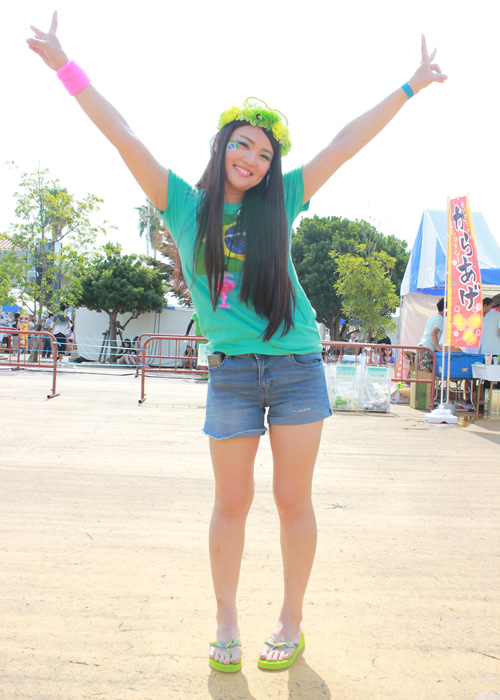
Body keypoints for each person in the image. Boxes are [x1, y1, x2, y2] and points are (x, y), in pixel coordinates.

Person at [27, 13, 447, 672]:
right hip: (229, 374)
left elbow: (345, 143)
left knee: (293, 501)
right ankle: (226, 619)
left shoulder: (281, 199)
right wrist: (63, 65)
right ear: (222, 145)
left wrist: (411, 85)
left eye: (264, 154)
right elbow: (122, 133)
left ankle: (291, 618)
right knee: (231, 502)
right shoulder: (182, 205)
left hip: (296, 365)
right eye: (243, 145)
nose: (252, 160)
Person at [417, 298, 444, 370]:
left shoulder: (432, 317)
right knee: (427, 372)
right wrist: (437, 348)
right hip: (428, 348)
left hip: (422, 345)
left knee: (421, 372)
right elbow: (433, 333)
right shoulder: (440, 319)